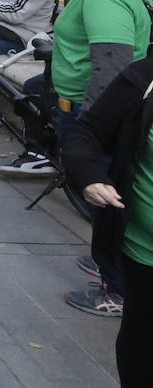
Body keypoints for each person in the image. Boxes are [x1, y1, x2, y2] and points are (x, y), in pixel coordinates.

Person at [36, 0, 153, 316]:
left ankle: (118, 286)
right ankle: (114, 266)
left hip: (95, 114)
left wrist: (96, 131)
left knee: (105, 197)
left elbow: (112, 63)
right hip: (117, 110)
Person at [63, 55, 153, 385]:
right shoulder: (146, 77)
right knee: (141, 354)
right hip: (145, 258)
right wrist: (88, 175)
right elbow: (86, 133)